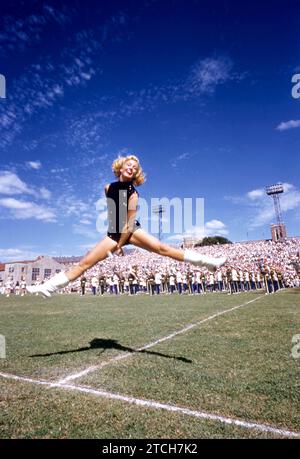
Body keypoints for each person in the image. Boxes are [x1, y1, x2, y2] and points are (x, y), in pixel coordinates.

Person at [27, 155, 226, 298]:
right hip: (113, 233)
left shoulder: (133, 193)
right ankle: (49, 287)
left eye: (135, 168)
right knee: (84, 263)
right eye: (129, 165)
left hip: (130, 232)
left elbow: (129, 223)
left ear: (135, 173)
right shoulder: (108, 187)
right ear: (121, 168)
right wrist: (114, 239)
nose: (132, 168)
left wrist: (121, 245)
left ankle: (209, 263)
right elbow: (113, 213)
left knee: (162, 248)